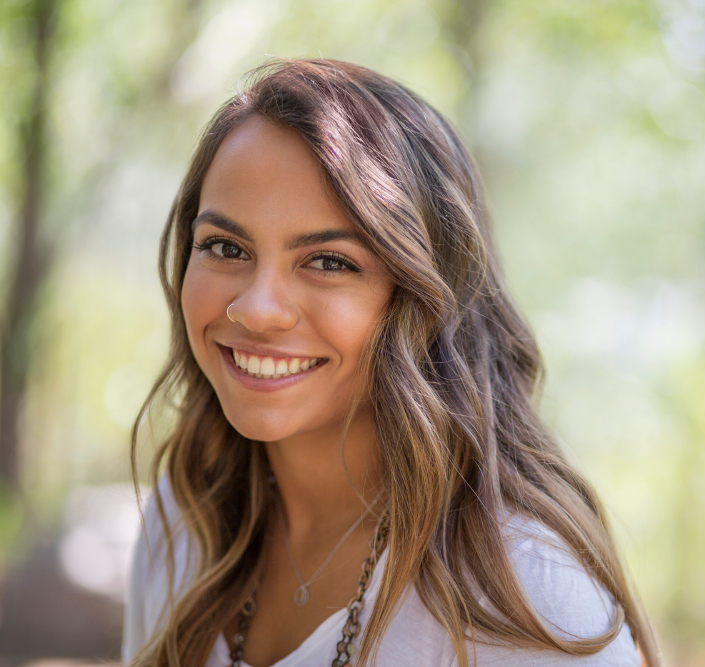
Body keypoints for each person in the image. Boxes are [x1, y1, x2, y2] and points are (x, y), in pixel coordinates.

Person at [123, 58, 658, 667]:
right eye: (225, 247)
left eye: (329, 261)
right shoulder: (184, 517)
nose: (256, 309)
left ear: (428, 297)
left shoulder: (526, 601)